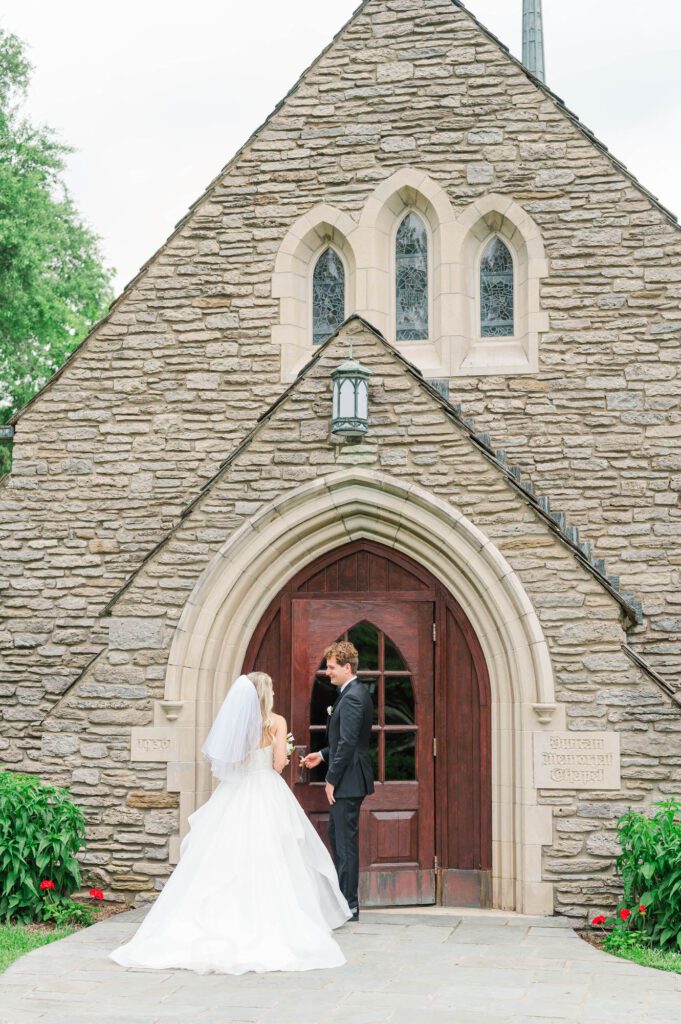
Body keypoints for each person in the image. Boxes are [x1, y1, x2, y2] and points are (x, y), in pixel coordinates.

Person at [110, 672, 351, 974]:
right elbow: (278, 765)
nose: (275, 692)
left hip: (236, 793)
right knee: (274, 852)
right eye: (273, 688)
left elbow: (231, 762)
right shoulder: (276, 723)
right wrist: (284, 755)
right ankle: (271, 915)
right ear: (266, 694)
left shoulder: (241, 725)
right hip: (267, 790)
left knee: (226, 853)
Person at [301, 641, 374, 921]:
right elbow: (344, 741)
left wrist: (331, 778)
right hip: (349, 776)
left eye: (331, 667)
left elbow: (348, 743)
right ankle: (344, 902)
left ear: (347, 667)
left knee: (345, 843)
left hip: (349, 779)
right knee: (338, 837)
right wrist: (321, 754)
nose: (327, 672)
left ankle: (350, 905)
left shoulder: (354, 696)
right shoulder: (350, 693)